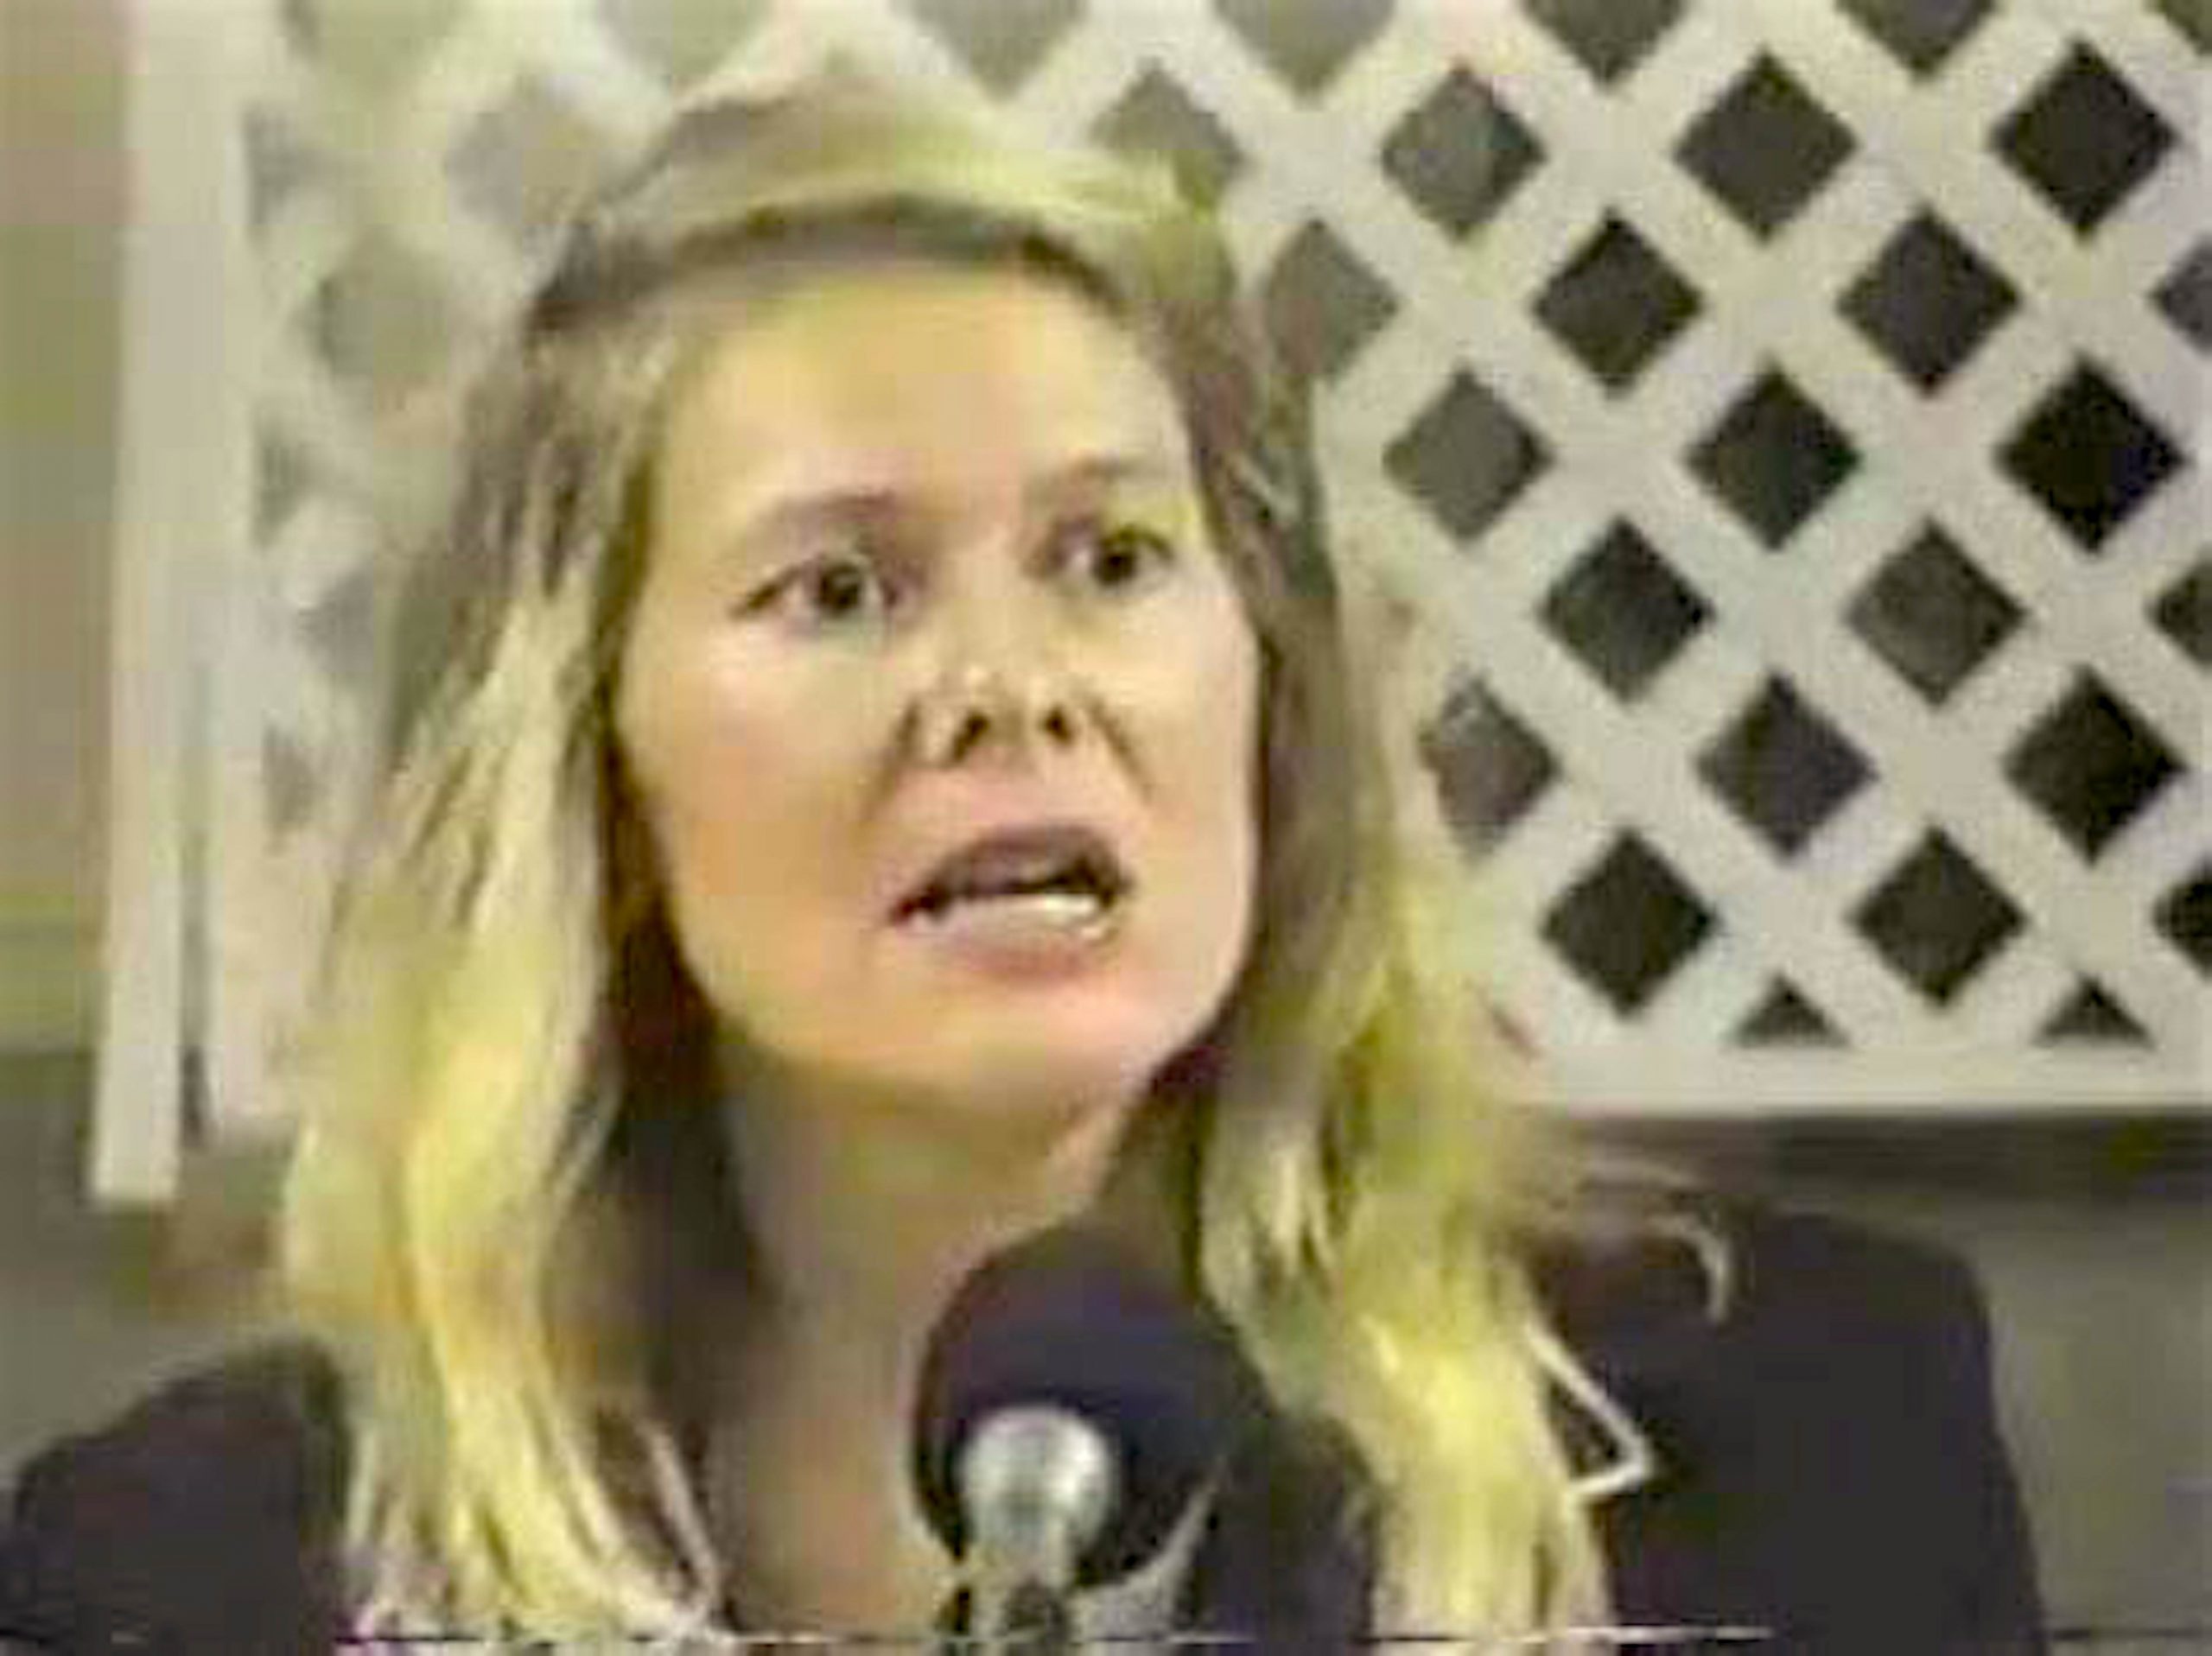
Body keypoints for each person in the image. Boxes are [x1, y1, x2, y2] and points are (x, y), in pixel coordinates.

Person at [0, 67, 2043, 1653]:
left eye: (1108, 558)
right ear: (584, 771)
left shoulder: (1797, 1431)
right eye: (838, 588)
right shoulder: (187, 1571)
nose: (1009, 688)